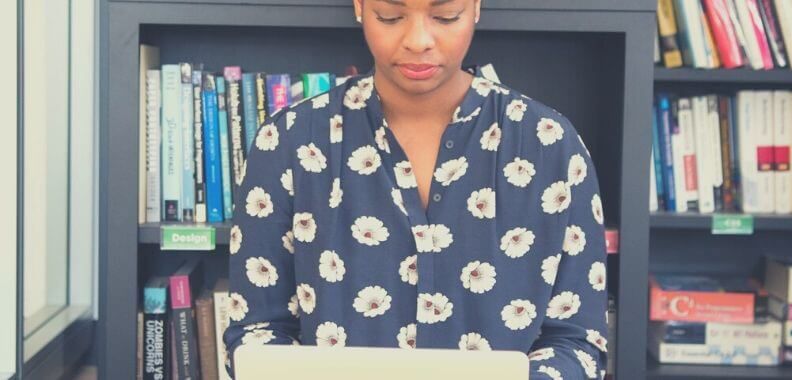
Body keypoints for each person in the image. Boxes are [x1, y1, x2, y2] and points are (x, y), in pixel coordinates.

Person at [223, 0, 608, 378]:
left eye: (445, 16)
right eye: (390, 17)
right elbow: (256, 332)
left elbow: (579, 343)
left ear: (476, 6)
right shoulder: (288, 141)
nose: (418, 39)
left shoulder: (550, 145)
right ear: (359, 6)